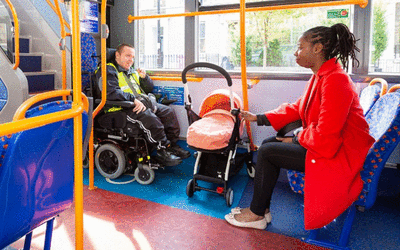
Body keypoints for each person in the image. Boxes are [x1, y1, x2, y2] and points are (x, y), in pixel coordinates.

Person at [225, 23, 375, 230]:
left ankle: (256, 214)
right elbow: (298, 108)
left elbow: (327, 134)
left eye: (300, 47)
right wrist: (258, 118)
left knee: (268, 151)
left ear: (317, 48)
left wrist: (296, 137)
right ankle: (261, 209)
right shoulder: (321, 77)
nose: (296, 52)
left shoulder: (336, 81)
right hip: (328, 144)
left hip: (339, 154)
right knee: (269, 143)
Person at [98, 43, 190, 166]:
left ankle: (171, 145)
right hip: (120, 108)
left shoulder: (130, 71)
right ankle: (161, 151)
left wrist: (144, 78)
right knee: (149, 117)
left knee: (168, 111)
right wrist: (133, 99)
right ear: (117, 55)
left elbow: (148, 88)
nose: (131, 60)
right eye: (127, 56)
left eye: (133, 57)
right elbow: (111, 92)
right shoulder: (108, 70)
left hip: (138, 102)